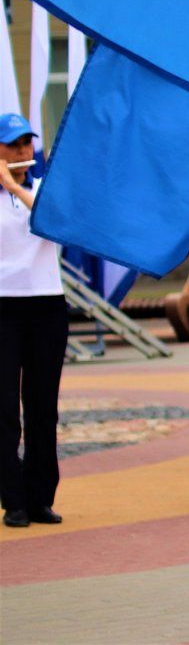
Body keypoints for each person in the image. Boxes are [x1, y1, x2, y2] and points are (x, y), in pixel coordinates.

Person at [0, 114, 68, 528]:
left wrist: (13, 186)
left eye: (27, 143)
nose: (23, 151)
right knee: (5, 409)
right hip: (3, 307)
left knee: (43, 408)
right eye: (13, 144)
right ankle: (13, 500)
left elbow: (56, 225)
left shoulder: (45, 190)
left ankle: (41, 496)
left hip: (46, 306)